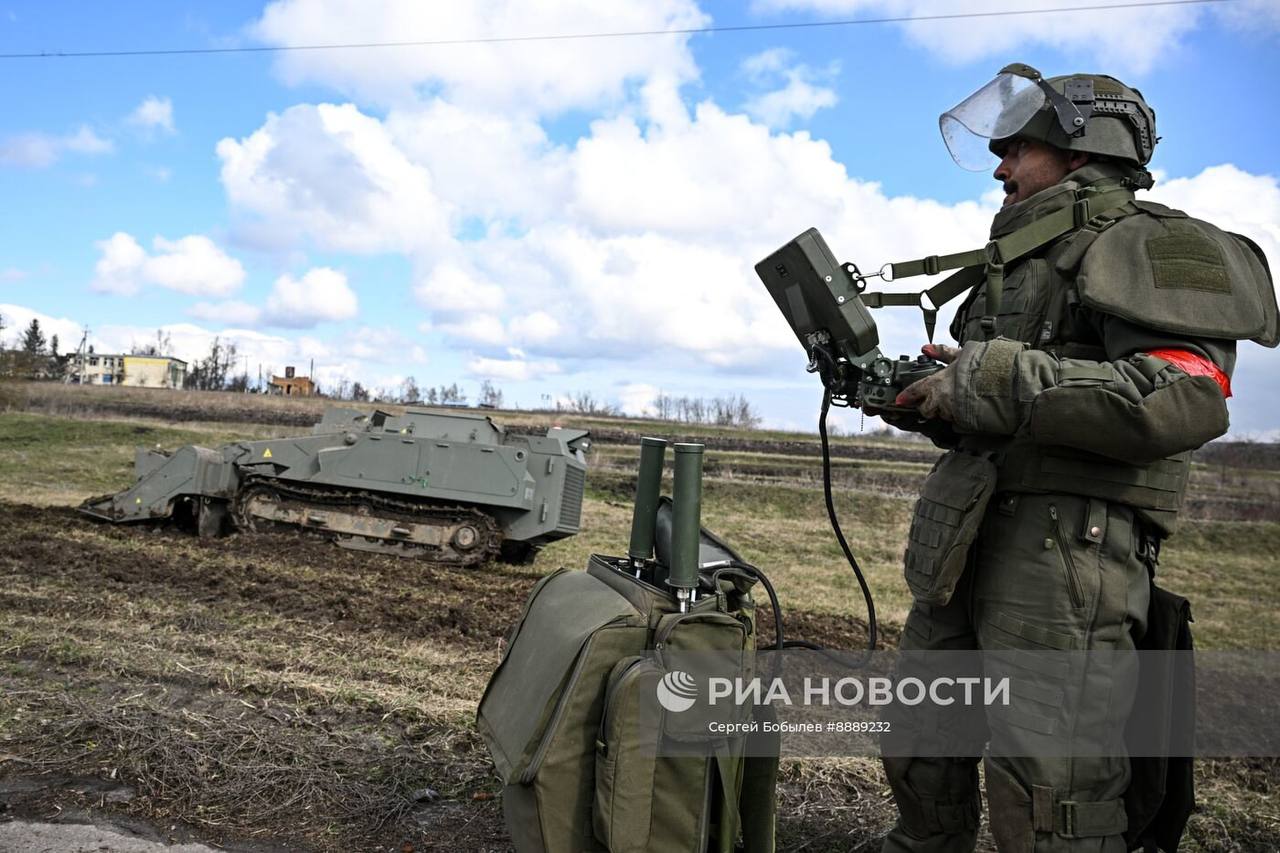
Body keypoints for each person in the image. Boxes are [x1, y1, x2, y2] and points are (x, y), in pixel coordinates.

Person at [874, 63, 1276, 852]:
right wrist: (935, 397)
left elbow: (1180, 397)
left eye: (1016, 149)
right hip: (968, 542)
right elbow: (1011, 412)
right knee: (921, 745)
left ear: (1081, 149)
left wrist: (988, 378)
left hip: (1065, 558)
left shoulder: (1149, 245)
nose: (1000, 168)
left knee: (1051, 785)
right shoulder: (1023, 260)